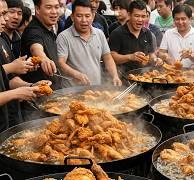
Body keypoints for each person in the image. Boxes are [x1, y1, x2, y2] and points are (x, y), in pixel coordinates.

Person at [0, 0, 49, 130]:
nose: (5, 20)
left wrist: (31, 87)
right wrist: (16, 93)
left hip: (8, 119)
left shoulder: (2, 41)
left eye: (4, 14)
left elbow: (6, 81)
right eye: (2, 14)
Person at [57, 0, 121, 88]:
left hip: (95, 89)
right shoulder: (63, 37)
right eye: (79, 16)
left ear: (93, 16)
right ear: (72, 17)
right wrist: (76, 74)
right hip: (71, 91)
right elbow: (61, 63)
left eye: (87, 16)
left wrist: (115, 76)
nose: (84, 20)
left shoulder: (99, 34)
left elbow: (108, 58)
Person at [20, 0, 60, 89]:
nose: (54, 11)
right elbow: (35, 48)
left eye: (57, 7)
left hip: (56, 91)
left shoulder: (49, 28)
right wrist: (43, 59)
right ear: (37, 9)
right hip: (38, 93)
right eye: (49, 7)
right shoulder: (33, 30)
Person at [109, 0, 156, 73]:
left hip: (145, 76)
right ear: (129, 15)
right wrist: (130, 57)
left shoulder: (147, 33)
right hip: (123, 77)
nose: (140, 20)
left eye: (143, 16)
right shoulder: (117, 33)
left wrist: (155, 59)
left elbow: (151, 54)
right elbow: (111, 57)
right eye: (137, 16)